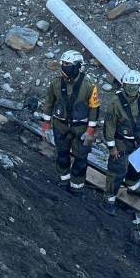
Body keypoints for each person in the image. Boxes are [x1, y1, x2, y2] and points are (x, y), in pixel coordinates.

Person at [37, 50, 100, 194]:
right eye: (63, 64)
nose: (64, 67)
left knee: (81, 159)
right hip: (60, 126)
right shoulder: (55, 84)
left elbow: (94, 109)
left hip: (82, 129)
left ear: (78, 66)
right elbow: (49, 103)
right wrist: (46, 124)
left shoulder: (89, 86)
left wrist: (91, 130)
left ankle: (77, 186)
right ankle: (63, 180)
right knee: (62, 155)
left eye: (68, 64)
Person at [101, 69, 140, 214]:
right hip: (121, 141)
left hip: (138, 140)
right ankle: (109, 199)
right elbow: (109, 125)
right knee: (117, 171)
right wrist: (111, 147)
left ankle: (133, 186)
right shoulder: (115, 102)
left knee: (137, 166)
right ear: (123, 85)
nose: (131, 89)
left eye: (134, 86)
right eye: (128, 86)